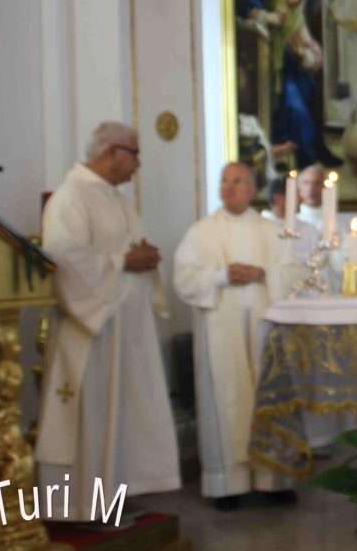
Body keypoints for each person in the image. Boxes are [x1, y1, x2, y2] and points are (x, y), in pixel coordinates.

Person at [37, 122, 180, 520]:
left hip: (124, 328)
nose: (138, 163)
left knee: (120, 415)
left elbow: (124, 248)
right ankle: (81, 505)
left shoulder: (114, 198)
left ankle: (116, 494)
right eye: (134, 153)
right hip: (93, 331)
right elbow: (63, 260)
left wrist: (144, 256)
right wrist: (125, 262)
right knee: (93, 415)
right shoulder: (71, 196)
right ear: (111, 151)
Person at [173, 162, 295, 510]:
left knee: (268, 393)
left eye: (238, 181)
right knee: (226, 397)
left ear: (253, 189)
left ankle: (275, 480)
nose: (228, 187)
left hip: (265, 324)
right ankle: (228, 483)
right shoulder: (201, 232)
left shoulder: (272, 231)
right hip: (220, 327)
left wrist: (262, 272)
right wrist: (222, 277)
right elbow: (184, 278)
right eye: (223, 180)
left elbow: (293, 272)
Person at [239, 0, 342, 168]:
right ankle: (305, 153)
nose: (292, 3)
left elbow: (313, 52)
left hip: (289, 74)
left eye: (297, 1)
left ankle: (311, 152)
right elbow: (243, 11)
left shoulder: (295, 20)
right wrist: (269, 17)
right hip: (260, 74)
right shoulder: (260, 2)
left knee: (299, 104)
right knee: (293, 106)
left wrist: (303, 54)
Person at [261, 175, 320, 257]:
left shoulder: (309, 230)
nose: (301, 199)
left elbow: (318, 262)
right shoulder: (259, 228)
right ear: (278, 199)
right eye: (296, 195)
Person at [296, 164, 324, 229]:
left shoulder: (333, 223)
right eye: (306, 183)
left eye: (317, 183)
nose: (311, 188)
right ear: (299, 188)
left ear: (323, 187)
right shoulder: (291, 221)